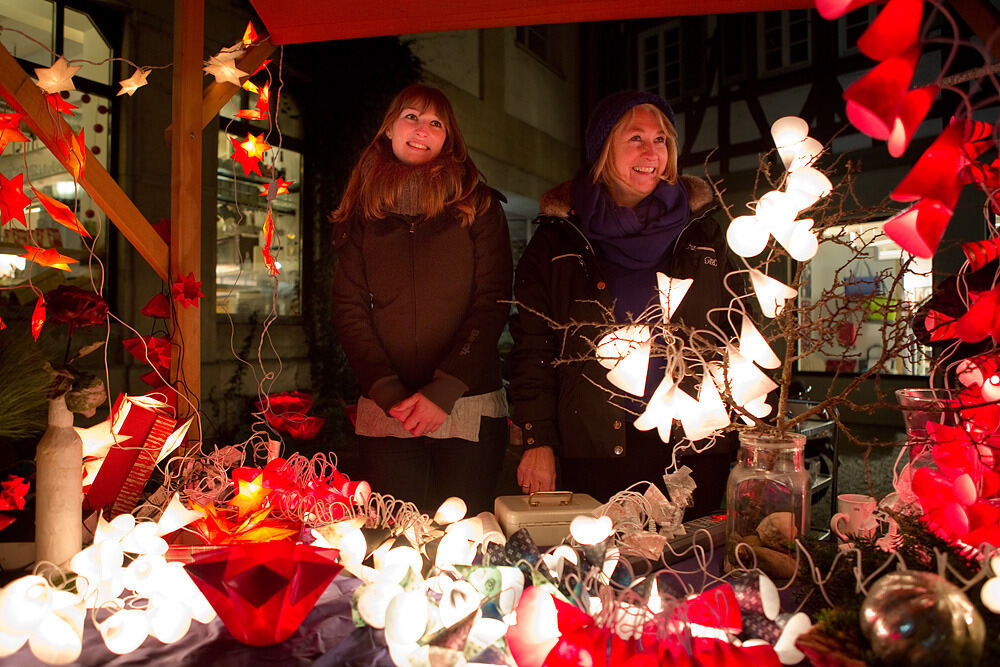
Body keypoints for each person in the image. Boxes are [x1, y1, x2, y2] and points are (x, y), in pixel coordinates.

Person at [508, 90, 739, 517]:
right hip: (596, 447)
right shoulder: (558, 239)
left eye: (662, 139)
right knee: (602, 571)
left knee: (687, 573)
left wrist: (747, 432)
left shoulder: (704, 231)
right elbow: (533, 348)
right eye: (636, 138)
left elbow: (736, 332)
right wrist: (537, 439)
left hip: (694, 445)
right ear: (603, 149)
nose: (652, 151)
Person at [330, 84, 513, 516]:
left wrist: (445, 389)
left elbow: (492, 301)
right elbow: (349, 309)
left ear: (448, 139)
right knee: (395, 545)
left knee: (467, 541)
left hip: (468, 403)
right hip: (387, 409)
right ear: (389, 128)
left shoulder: (478, 206)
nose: (422, 129)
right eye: (412, 116)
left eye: (436, 123)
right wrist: (389, 391)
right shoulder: (364, 214)